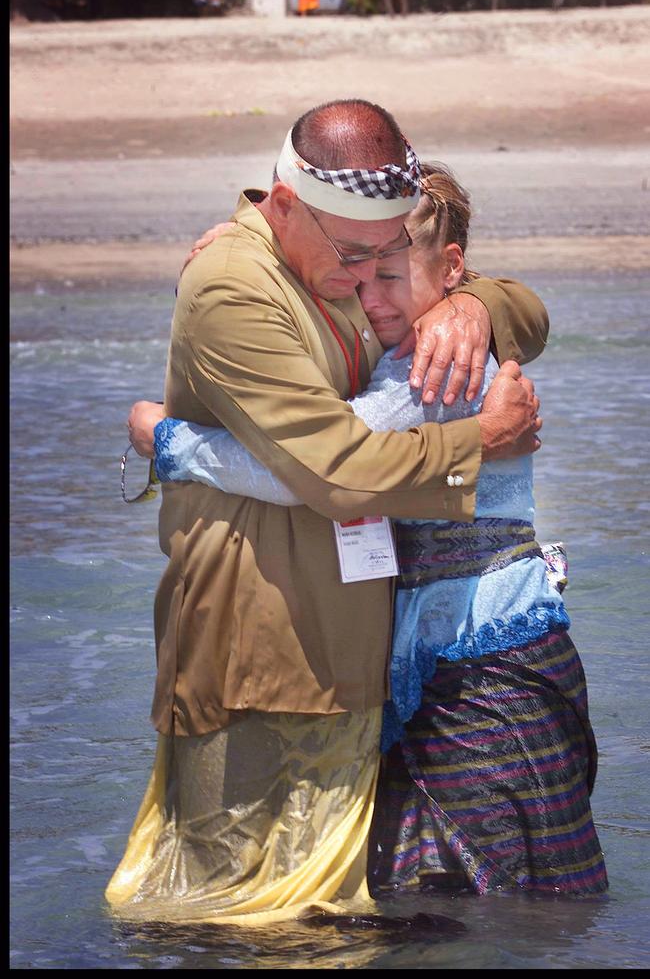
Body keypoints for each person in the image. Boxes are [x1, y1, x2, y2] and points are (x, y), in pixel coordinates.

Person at [107, 100, 546, 926]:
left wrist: (476, 303)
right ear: (282, 207)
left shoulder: (345, 270)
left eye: (385, 258)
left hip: (365, 652)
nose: (363, 279)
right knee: (220, 915)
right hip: (256, 645)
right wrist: (479, 438)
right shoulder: (239, 285)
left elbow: (498, 297)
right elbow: (334, 471)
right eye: (354, 256)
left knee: (340, 916)